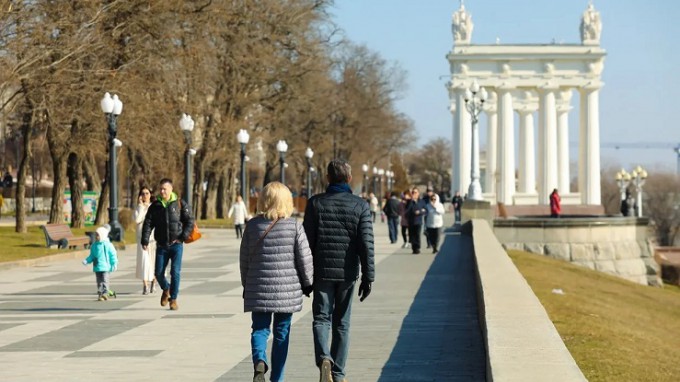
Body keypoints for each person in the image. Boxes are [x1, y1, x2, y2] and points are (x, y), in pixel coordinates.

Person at [303, 159, 375, 382]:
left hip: (321, 271)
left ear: (327, 178)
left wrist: (305, 277)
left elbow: (306, 242)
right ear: (350, 179)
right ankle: (339, 373)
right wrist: (368, 277)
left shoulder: (315, 204)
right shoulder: (360, 205)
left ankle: (324, 358)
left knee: (321, 318)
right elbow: (366, 243)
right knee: (342, 323)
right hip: (347, 273)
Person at [240, 181, 314, 382]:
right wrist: (308, 283)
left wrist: (247, 283)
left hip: (258, 288)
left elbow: (244, 258)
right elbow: (304, 258)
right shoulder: (294, 227)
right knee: (282, 333)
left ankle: (259, 362)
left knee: (260, 329)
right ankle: (277, 378)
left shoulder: (252, 226)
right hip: (286, 290)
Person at [141, 178, 194, 311]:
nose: (162, 191)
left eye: (165, 189)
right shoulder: (156, 205)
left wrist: (182, 237)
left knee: (175, 272)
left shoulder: (180, 204)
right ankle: (166, 289)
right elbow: (148, 223)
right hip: (162, 245)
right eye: (161, 189)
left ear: (171, 189)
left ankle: (173, 299)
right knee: (158, 273)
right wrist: (145, 240)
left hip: (176, 245)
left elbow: (190, 221)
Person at [82, 226, 118, 301]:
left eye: (98, 235)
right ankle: (101, 293)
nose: (96, 237)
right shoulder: (94, 246)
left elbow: (113, 254)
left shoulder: (108, 245)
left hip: (105, 267)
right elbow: (92, 256)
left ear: (102, 235)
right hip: (97, 267)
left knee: (105, 280)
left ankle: (105, 293)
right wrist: (87, 260)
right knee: (99, 281)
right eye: (96, 235)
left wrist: (114, 263)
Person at [135, 186, 156, 295]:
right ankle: (145, 285)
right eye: (142, 193)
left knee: (153, 261)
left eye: (147, 193)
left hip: (153, 238)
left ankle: (153, 282)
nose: (145, 195)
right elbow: (137, 220)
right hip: (141, 239)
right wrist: (141, 207)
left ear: (151, 194)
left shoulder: (154, 206)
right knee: (144, 262)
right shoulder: (139, 207)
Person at [405, 187, 427, 255]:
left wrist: (420, 212)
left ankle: (417, 247)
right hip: (411, 220)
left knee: (417, 234)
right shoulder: (409, 202)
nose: (414, 193)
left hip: (418, 221)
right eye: (413, 192)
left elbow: (426, 210)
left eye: (415, 192)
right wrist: (412, 200)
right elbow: (407, 210)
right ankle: (414, 248)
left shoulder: (422, 201)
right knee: (412, 235)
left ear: (418, 193)